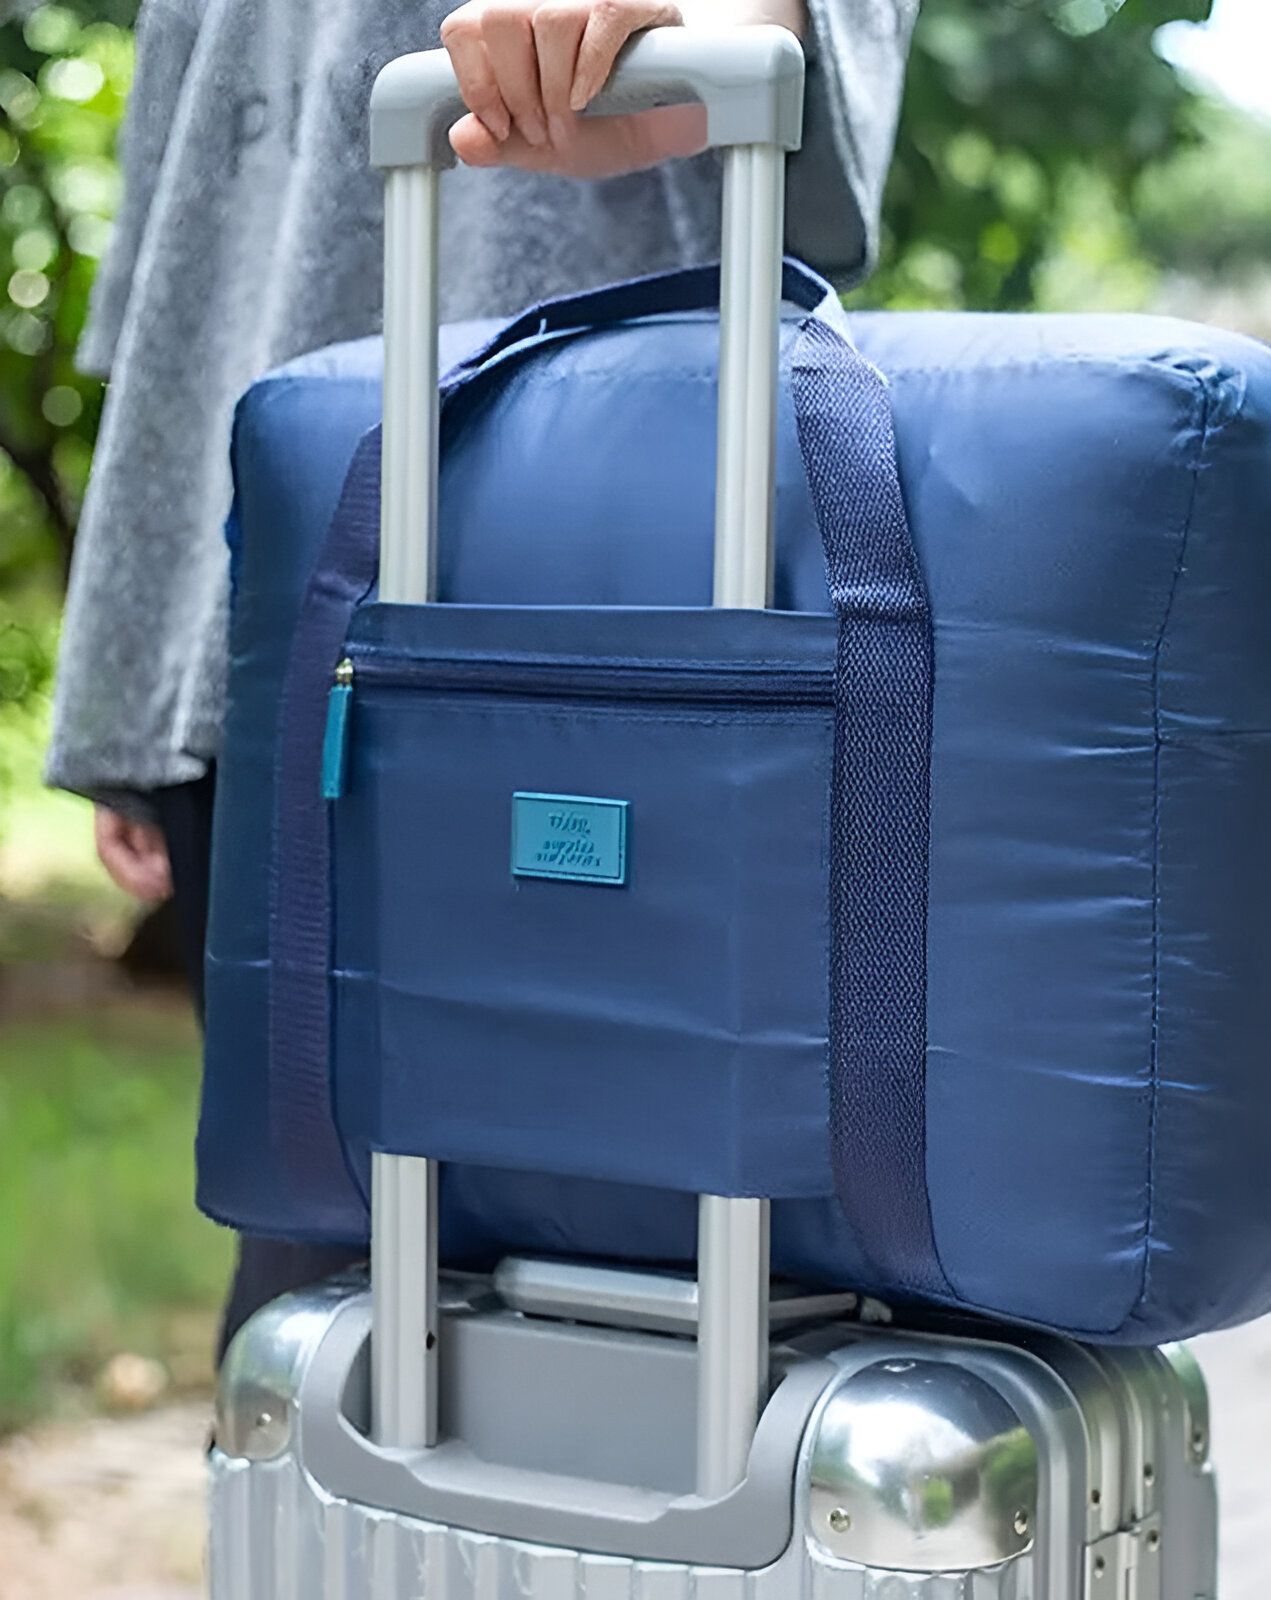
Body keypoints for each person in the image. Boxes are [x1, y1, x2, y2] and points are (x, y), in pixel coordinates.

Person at [48, 0, 916, 1353]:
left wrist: (693, 32)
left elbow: (774, 38)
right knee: (320, 1294)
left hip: (607, 626)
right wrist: (134, 672)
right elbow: (179, 260)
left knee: (644, 1315)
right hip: (281, 625)